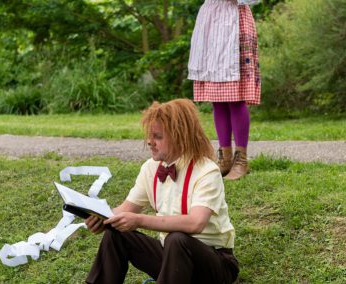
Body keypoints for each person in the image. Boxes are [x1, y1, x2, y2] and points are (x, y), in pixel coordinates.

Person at [85, 98, 239, 284]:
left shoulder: (207, 171)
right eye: (149, 136)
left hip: (215, 264)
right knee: (116, 235)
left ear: (180, 136)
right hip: (171, 258)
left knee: (177, 240)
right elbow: (125, 209)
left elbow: (195, 223)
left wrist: (140, 220)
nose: (150, 142)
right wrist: (102, 219)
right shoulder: (150, 168)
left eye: (158, 136)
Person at [188, 0, 261, 180]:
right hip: (211, 21)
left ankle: (241, 161)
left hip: (234, 19)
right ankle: (225, 159)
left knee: (235, 97)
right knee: (218, 98)